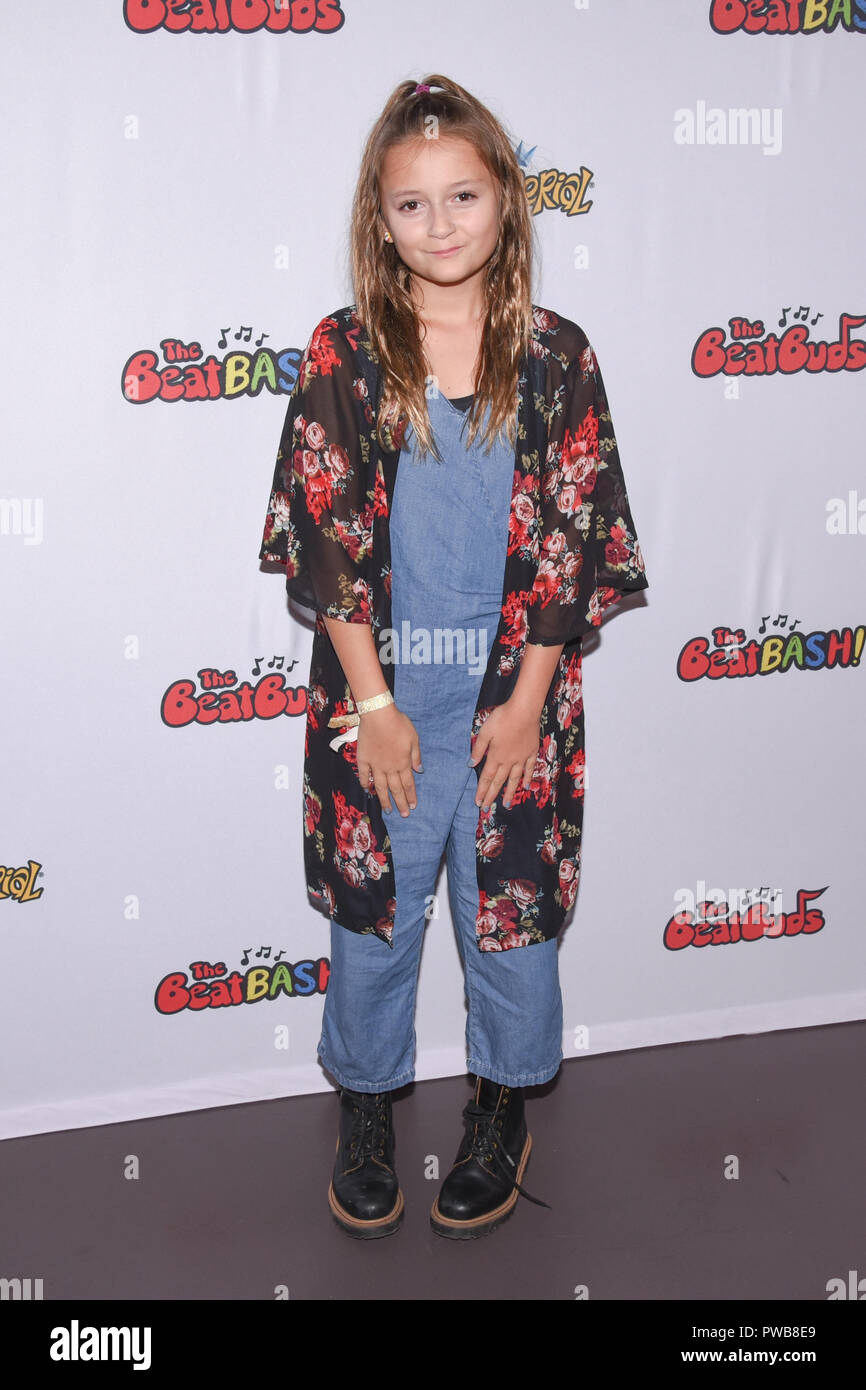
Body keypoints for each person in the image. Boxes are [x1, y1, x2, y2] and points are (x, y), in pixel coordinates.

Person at [258, 74, 649, 1241]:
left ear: (505, 201)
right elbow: (321, 539)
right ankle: (369, 1107)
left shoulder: (558, 356)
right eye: (412, 204)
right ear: (379, 222)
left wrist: (530, 700)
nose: (440, 225)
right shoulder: (343, 351)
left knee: (508, 925)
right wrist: (371, 704)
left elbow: (575, 537)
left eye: (463, 195)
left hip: (513, 697)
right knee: (373, 923)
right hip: (377, 696)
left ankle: (496, 1108)